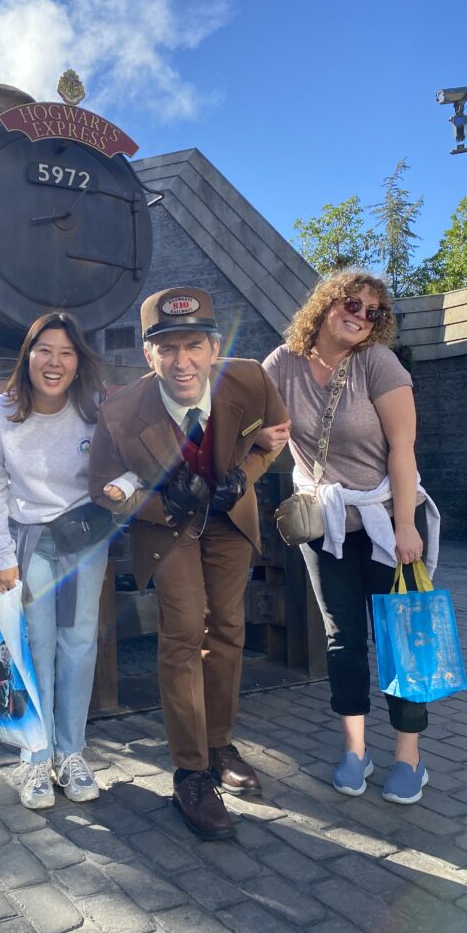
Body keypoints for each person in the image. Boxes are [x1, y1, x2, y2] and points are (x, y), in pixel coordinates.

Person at [89, 286, 289, 841]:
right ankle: (190, 774)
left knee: (228, 628)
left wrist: (243, 476)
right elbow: (103, 489)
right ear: (148, 354)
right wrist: (160, 503)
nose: (183, 361)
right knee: (181, 632)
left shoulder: (249, 379)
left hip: (228, 521)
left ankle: (219, 743)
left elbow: (274, 437)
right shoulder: (121, 411)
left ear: (214, 347)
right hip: (167, 529)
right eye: (168, 348)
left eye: (194, 345)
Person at [261, 270, 440, 805]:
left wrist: (406, 526)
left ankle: (409, 758)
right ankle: (356, 750)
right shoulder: (282, 363)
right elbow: (248, 419)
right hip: (327, 523)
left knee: (400, 637)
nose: (361, 316)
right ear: (325, 304)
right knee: (343, 639)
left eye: (373, 312)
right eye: (352, 303)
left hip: (387, 520)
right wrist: (262, 436)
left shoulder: (378, 364)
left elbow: (403, 449)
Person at [0, 312, 110, 810]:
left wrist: (125, 486)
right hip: (26, 540)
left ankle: (71, 753)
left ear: (79, 362)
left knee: (79, 644)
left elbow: (127, 460)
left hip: (84, 538)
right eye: (45, 350)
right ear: (27, 356)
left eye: (66, 353)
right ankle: (36, 755)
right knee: (35, 645)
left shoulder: (95, 408)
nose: (55, 362)